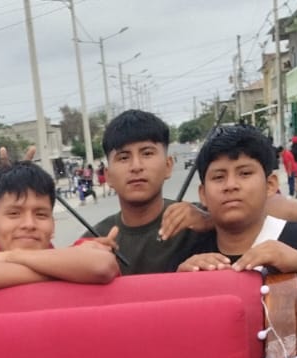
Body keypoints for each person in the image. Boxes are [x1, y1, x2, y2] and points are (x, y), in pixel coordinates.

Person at [177, 125, 297, 321]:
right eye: (218, 177)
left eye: (244, 173)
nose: (231, 185)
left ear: (270, 185)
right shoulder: (190, 257)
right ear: (203, 194)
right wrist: (181, 286)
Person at [0, 162, 120, 295]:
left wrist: (9, 257)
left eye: (41, 214)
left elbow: (101, 265)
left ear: (53, 225)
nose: (29, 224)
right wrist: (69, 272)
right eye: (14, 213)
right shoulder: (73, 262)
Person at [83, 109, 213, 276]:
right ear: (108, 176)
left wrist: (212, 221)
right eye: (124, 157)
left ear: (168, 166)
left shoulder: (200, 221)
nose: (136, 166)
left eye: (147, 153)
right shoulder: (92, 241)